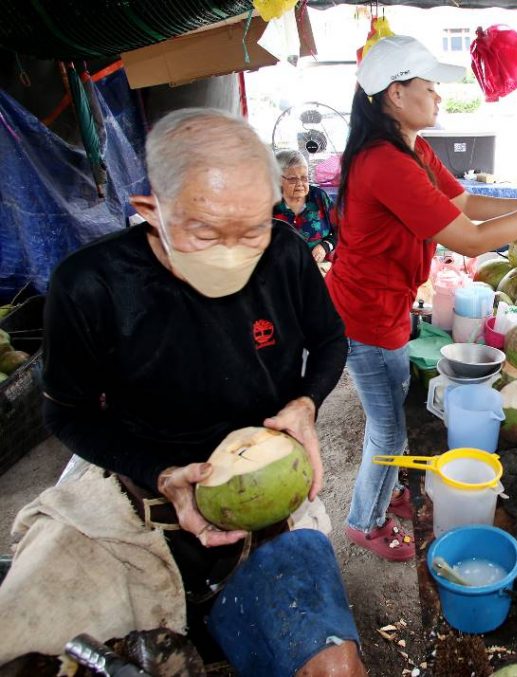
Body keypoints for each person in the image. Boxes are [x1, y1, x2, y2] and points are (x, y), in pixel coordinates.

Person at [40, 109, 365, 675]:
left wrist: (307, 403)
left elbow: (331, 339)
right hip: (142, 509)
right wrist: (161, 472)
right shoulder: (90, 285)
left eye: (253, 230)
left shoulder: (286, 254)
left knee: (331, 662)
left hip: (269, 506)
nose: (233, 251)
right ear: (150, 210)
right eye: (206, 232)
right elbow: (67, 414)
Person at [326, 35, 517, 561]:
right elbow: (466, 236)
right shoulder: (384, 163)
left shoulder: (412, 150)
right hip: (364, 316)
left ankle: (386, 490)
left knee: (393, 413)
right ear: (395, 95)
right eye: (430, 86)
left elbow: (464, 201)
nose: (439, 96)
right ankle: (364, 521)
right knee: (388, 428)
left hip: (389, 307)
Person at [273, 149, 339, 262]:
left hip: (319, 264)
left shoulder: (319, 197)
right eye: (293, 179)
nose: (300, 184)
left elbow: (343, 230)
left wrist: (325, 246)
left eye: (304, 178)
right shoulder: (269, 204)